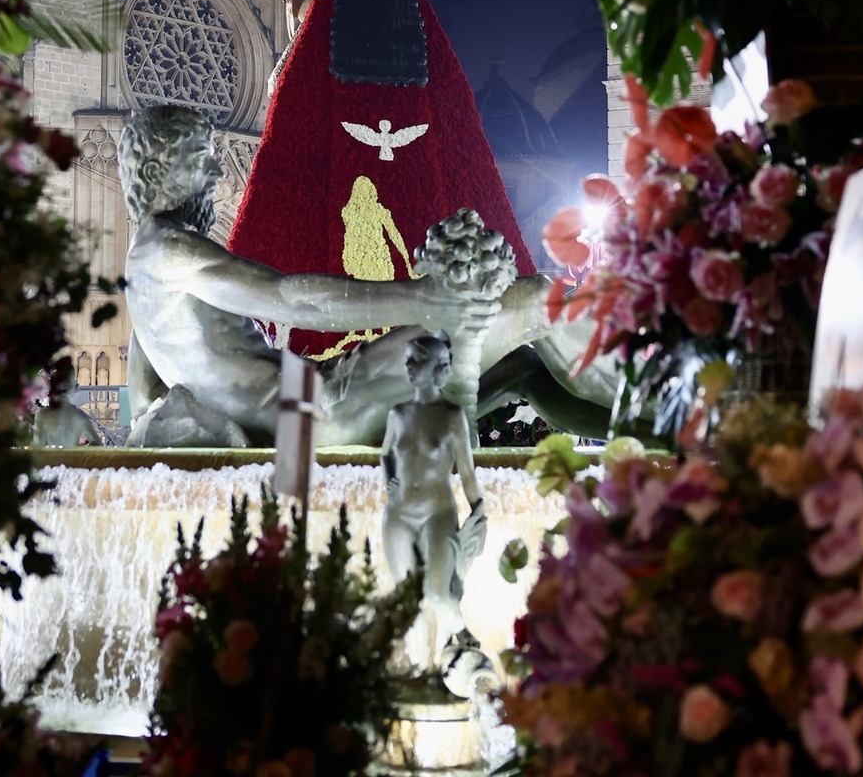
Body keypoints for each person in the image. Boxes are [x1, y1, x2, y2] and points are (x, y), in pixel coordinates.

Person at [118, 105, 615, 447]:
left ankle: (644, 439)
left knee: (520, 369)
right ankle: (666, 411)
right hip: (326, 407)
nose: (216, 175)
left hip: (309, 410)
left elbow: (146, 404)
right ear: (155, 173)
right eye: (202, 160)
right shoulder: (171, 250)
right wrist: (424, 298)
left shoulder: (143, 274)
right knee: (535, 299)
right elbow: (292, 300)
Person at [381, 335, 487, 680]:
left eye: (417, 360)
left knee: (436, 593)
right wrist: (389, 478)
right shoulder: (397, 415)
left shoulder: (452, 416)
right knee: (405, 600)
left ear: (439, 369)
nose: (409, 367)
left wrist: (478, 509)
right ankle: (418, 669)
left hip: (437, 512)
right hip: (398, 515)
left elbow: (467, 472)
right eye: (408, 359)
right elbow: (385, 454)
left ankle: (462, 637)